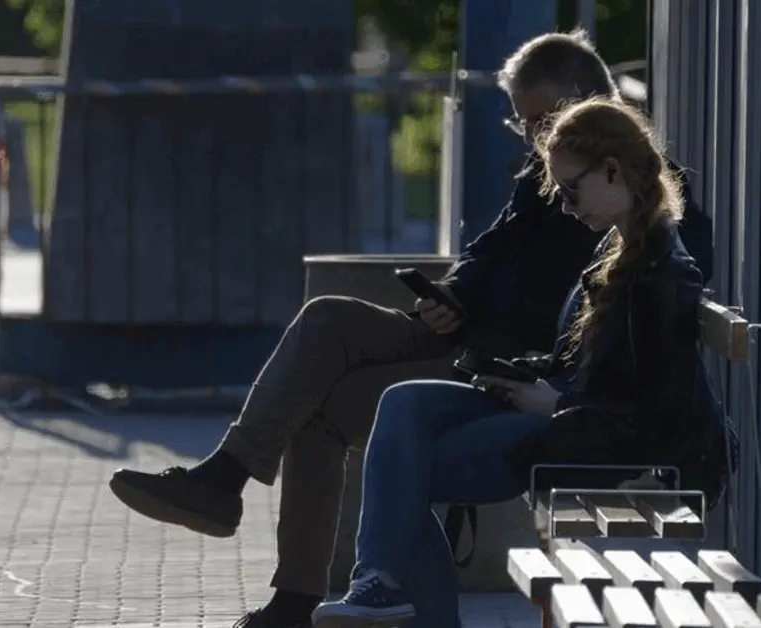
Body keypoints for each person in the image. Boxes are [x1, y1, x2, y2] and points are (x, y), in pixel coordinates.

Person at [108, 30, 714, 628]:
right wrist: (453, 294)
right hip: (470, 339)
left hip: (510, 366)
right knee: (328, 320)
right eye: (524, 127)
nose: (536, 143)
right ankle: (224, 479)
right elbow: (489, 248)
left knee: (328, 413)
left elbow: (630, 341)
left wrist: (543, 386)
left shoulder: (647, 209)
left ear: (593, 115)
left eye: (542, 122)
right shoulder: (549, 182)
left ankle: (295, 598)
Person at [310, 98, 733, 628]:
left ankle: (387, 589)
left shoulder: (664, 273)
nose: (562, 204)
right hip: (563, 410)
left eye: (569, 188)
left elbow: (659, 415)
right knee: (406, 401)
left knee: (408, 471)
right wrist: (518, 371)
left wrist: (557, 403)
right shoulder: (620, 245)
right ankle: (379, 584)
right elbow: (587, 362)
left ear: (613, 170)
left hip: (596, 439)